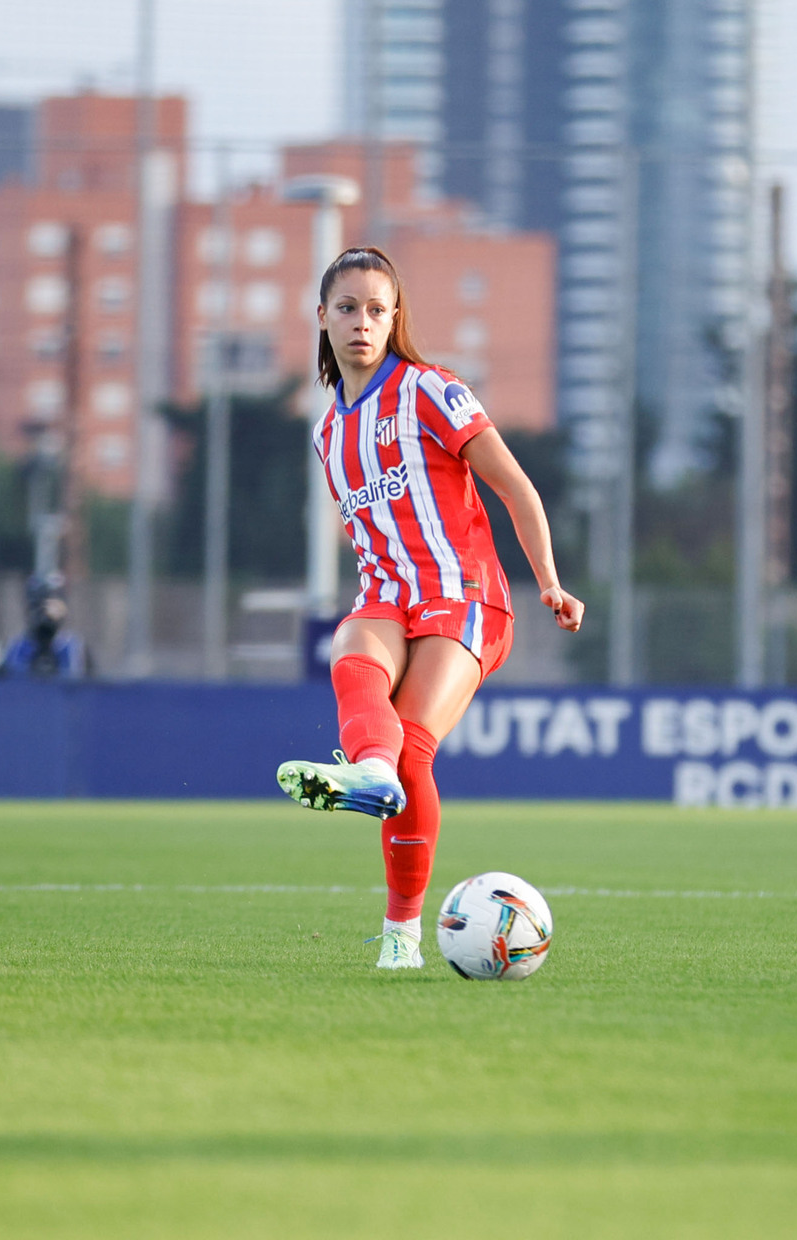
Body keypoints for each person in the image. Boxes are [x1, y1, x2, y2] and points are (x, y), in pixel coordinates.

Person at [276, 246, 584, 969]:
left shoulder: (430, 391)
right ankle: (373, 781)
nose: (361, 323)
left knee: (413, 746)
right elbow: (374, 537)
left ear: (395, 321)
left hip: (465, 594)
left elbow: (515, 487)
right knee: (351, 653)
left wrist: (548, 580)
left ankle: (400, 926)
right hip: (387, 593)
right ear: (321, 318)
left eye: (377, 311)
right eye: (347, 308)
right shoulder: (328, 434)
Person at [0, 571, 93, 680]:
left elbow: (93, 690)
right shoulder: (15, 648)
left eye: (54, 605)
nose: (44, 613)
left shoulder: (76, 649)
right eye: (37, 605)